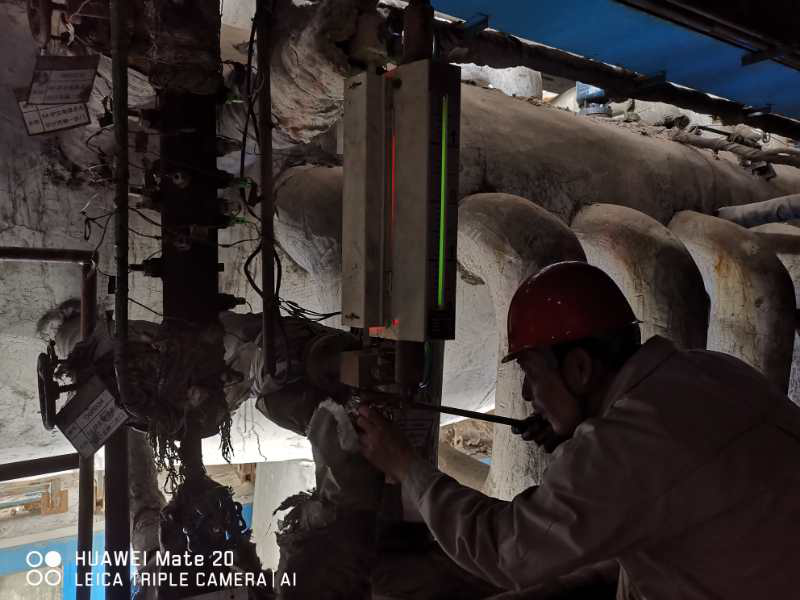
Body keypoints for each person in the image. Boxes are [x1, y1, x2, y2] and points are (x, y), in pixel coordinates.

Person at [357, 261, 800, 599]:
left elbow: (508, 550)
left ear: (580, 367)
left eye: (532, 373)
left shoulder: (627, 445)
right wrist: (588, 429)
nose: (529, 393)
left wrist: (406, 466)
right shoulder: (709, 370)